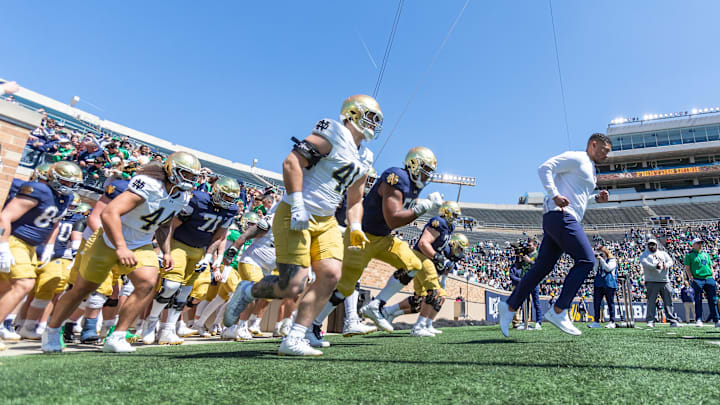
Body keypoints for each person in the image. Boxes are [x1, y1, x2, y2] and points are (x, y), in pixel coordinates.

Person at [223, 95, 380, 356]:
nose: (373, 124)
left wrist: (355, 227)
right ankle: (248, 290)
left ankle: (295, 336)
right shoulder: (333, 133)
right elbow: (292, 162)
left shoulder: (366, 156)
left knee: (331, 275)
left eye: (377, 120)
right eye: (370, 117)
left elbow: (354, 199)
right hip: (297, 212)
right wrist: (297, 203)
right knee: (292, 285)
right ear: (352, 113)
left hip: (327, 219)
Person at [42, 152, 201, 353]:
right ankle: (52, 329)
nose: (190, 180)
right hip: (109, 239)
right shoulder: (149, 184)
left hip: (141, 242)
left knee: (147, 283)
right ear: (171, 170)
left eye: (193, 176)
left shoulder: (182, 196)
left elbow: (164, 224)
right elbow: (109, 213)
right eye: (185, 174)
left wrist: (167, 252)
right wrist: (120, 247)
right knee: (82, 289)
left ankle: (117, 336)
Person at [310, 146, 441, 341]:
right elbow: (393, 219)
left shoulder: (413, 186)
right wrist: (424, 207)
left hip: (384, 238)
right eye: (425, 169)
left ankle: (376, 305)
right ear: (414, 164)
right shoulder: (396, 177)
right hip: (362, 236)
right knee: (345, 287)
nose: (426, 175)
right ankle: (314, 325)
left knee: (413, 264)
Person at [498, 133, 612, 337]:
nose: (606, 155)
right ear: (593, 144)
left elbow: (580, 197)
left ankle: (509, 306)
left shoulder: (591, 169)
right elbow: (544, 168)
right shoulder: (576, 158)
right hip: (561, 216)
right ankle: (559, 310)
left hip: (560, 217)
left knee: (541, 267)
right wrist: (554, 195)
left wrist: (596, 198)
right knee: (586, 260)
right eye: (604, 150)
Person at [140, 176, 240, 345]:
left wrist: (209, 256)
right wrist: (165, 249)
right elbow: (172, 224)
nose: (228, 201)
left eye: (231, 198)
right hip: (179, 244)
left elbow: (219, 235)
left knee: (184, 293)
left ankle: (167, 329)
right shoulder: (199, 200)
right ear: (215, 191)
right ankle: (150, 323)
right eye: (225, 196)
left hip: (199, 250)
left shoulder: (231, 210)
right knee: (170, 286)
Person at [0, 161, 82, 350]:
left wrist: (48, 247)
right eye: (65, 182)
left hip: (31, 246)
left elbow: (55, 223)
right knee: (24, 283)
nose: (69, 186)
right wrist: (3, 245)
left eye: (72, 183)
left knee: (5, 287)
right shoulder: (39, 190)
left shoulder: (65, 199)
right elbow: (6, 216)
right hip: (15, 239)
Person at [640, 239, 681, 328]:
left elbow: (670, 261)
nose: (652, 246)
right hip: (651, 281)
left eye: (653, 244)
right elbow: (645, 263)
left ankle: (672, 320)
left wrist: (666, 265)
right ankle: (651, 320)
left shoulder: (663, 253)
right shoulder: (644, 254)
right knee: (651, 302)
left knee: (668, 301)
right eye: (650, 244)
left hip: (664, 281)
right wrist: (656, 266)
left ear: (656, 245)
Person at [684, 238, 720, 327]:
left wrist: (712, 275)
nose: (700, 245)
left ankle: (716, 319)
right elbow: (687, 267)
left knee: (713, 300)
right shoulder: (689, 255)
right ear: (693, 245)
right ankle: (699, 319)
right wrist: (691, 278)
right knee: (698, 299)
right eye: (698, 243)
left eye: (701, 243)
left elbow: (710, 265)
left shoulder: (706, 254)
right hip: (697, 278)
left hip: (708, 278)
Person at [588, 246, 618, 328]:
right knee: (596, 303)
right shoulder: (600, 261)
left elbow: (608, 268)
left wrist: (601, 260)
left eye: (602, 253)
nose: (600, 255)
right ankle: (596, 321)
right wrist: (597, 261)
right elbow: (595, 270)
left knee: (610, 303)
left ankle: (612, 321)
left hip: (609, 284)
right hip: (599, 283)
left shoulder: (612, 260)